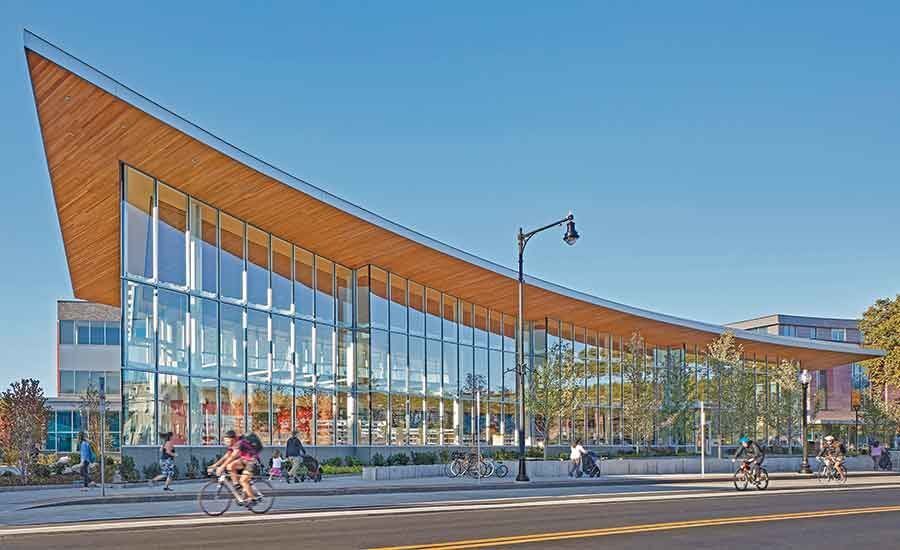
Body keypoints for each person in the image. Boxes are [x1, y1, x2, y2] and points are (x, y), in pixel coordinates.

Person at [208, 431, 260, 503]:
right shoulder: (233, 444)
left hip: (252, 461)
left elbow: (233, 456)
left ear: (233, 439)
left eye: (227, 441)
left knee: (243, 480)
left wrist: (222, 467)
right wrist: (215, 465)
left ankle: (253, 498)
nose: (226, 443)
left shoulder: (240, 443)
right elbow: (227, 455)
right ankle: (237, 487)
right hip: (244, 461)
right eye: (225, 441)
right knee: (230, 466)